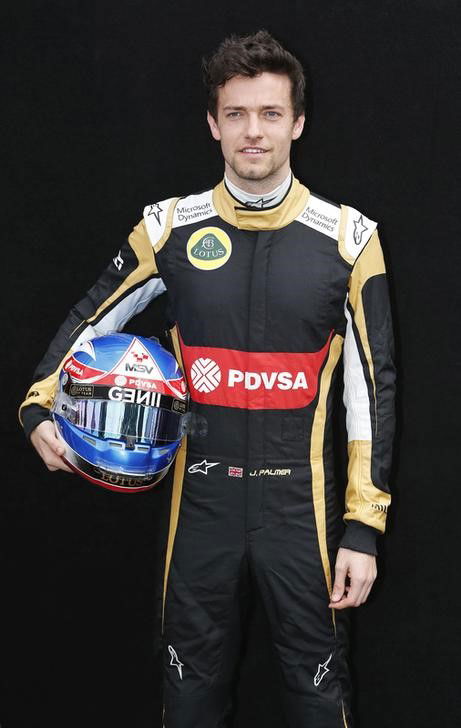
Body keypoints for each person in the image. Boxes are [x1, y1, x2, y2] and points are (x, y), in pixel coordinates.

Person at [20, 30, 395, 728]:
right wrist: (39, 405)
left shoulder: (349, 239)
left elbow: (371, 392)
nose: (253, 132)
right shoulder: (166, 229)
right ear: (212, 123)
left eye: (270, 113)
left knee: (320, 700)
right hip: (199, 513)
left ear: (298, 122)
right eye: (236, 114)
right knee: (187, 701)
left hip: (302, 517)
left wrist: (362, 528)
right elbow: (88, 320)